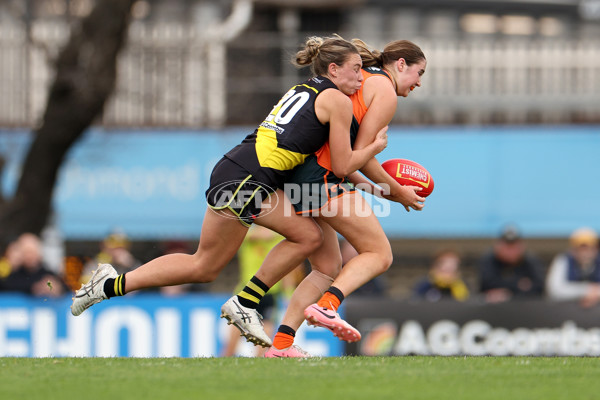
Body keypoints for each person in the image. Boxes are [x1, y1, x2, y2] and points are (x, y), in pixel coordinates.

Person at [70, 35, 388, 350]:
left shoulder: (303, 89)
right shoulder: (336, 100)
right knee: (230, 259)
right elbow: (344, 162)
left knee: (229, 258)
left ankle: (113, 286)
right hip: (247, 178)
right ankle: (236, 302)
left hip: (243, 171)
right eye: (356, 69)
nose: (361, 77)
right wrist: (374, 148)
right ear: (333, 69)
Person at [226, 38, 427, 357]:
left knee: (326, 267)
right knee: (379, 253)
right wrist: (399, 191)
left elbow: (347, 159)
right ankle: (328, 306)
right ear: (400, 64)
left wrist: (380, 190)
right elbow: (361, 155)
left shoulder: (362, 77)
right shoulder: (385, 90)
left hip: (300, 177)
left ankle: (281, 344)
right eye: (419, 72)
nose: (418, 82)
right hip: (321, 178)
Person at [221, 225, 302, 357]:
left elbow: (288, 270)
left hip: (260, 291)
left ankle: (249, 359)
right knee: (250, 328)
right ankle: (233, 358)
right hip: (255, 290)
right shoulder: (275, 237)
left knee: (257, 328)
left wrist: (288, 294)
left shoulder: (249, 234)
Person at [479, 224, 545, 303]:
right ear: (498, 246)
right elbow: (487, 284)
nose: (510, 251)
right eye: (507, 246)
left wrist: (508, 292)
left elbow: (539, 287)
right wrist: (519, 284)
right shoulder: (488, 261)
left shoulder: (530, 261)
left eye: (514, 246)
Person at [0, 233, 69, 297]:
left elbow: (67, 289)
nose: (30, 256)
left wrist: (58, 288)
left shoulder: (48, 274)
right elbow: (8, 286)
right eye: (26, 252)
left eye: (32, 252)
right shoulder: (13, 274)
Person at [546, 227, 600, 308]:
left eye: (589, 248)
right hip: (565, 312)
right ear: (573, 250)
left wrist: (596, 295)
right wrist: (587, 290)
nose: (585, 253)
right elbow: (554, 290)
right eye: (581, 249)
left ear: (596, 249)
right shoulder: (563, 260)